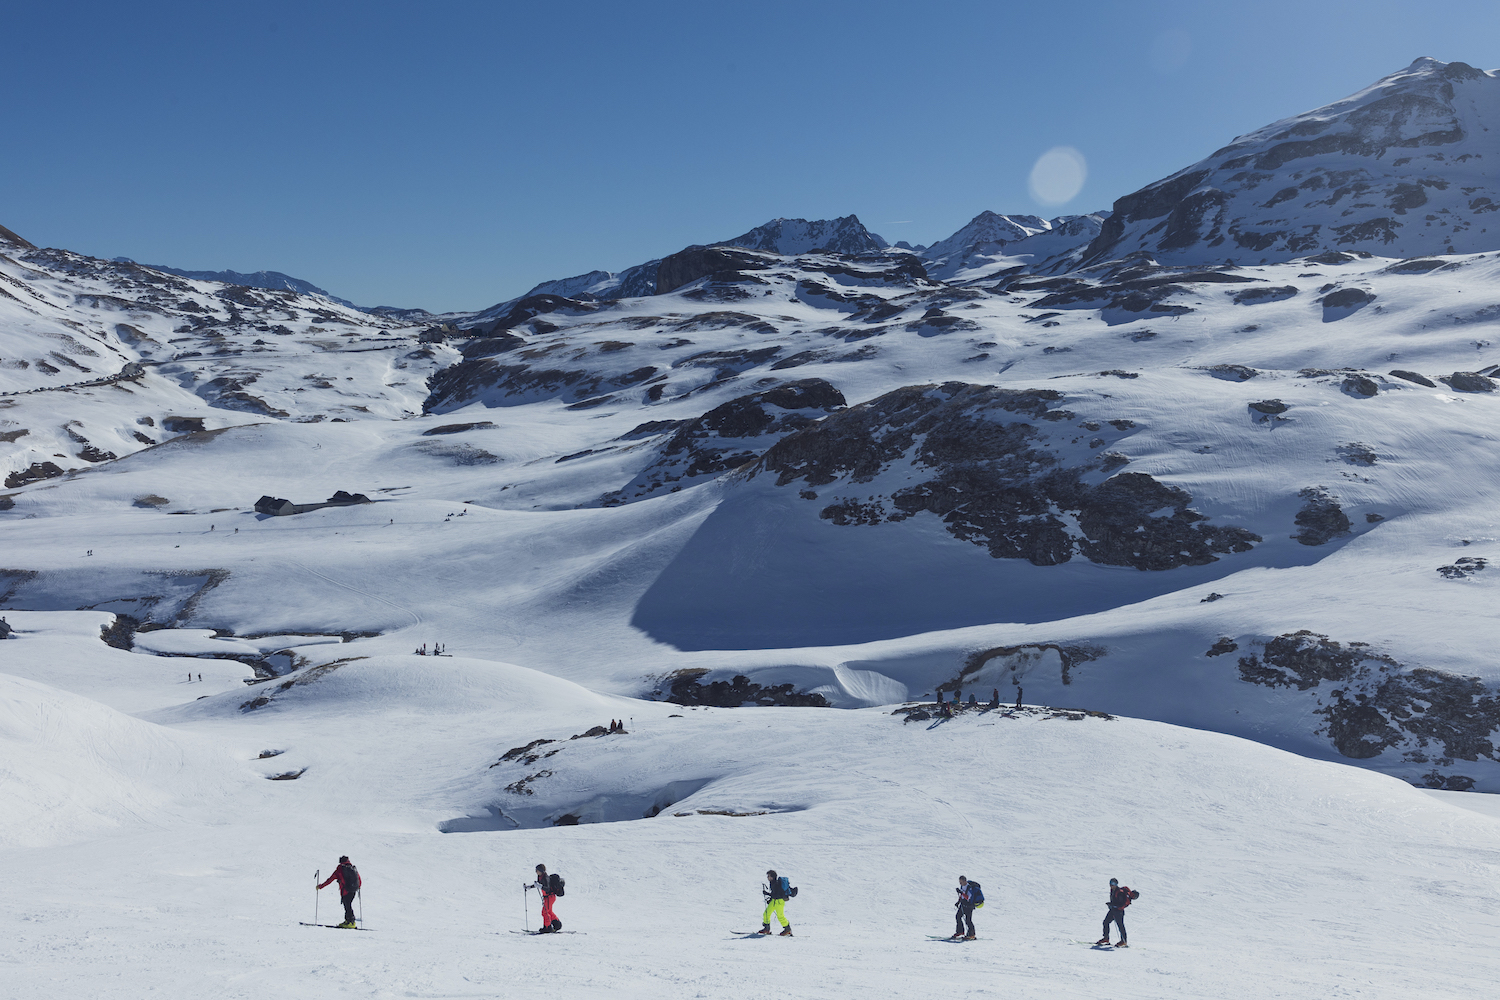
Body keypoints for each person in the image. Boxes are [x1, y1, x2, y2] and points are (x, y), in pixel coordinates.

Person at [317, 856, 362, 928]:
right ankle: (348, 921)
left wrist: (321, 886)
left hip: (345, 890)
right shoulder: (352, 868)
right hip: (353, 890)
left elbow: (330, 879)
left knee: (347, 905)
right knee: (348, 905)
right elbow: (359, 879)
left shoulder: (340, 869)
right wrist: (358, 887)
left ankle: (350, 922)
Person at [1096, 877, 1138, 947]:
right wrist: (1111, 904)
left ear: (1116, 884)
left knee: (1120, 926)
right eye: (1110, 883)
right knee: (1106, 922)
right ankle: (1106, 938)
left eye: (1113, 884)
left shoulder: (1120, 892)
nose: (1111, 885)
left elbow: (1121, 904)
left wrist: (1112, 905)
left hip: (1119, 911)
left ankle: (1124, 941)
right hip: (1113, 910)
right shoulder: (1113, 890)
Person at [529, 863, 562, 933]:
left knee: (545, 912)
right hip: (548, 898)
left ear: (541, 871)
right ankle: (557, 924)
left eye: (537, 870)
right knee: (548, 912)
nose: (536, 871)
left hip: (550, 897)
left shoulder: (545, 878)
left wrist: (539, 886)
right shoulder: (541, 877)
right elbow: (538, 884)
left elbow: (547, 889)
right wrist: (529, 887)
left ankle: (547, 927)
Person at [760, 869, 793, 936]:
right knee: (766, 913)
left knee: (780, 916)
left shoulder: (777, 884)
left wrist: (768, 894)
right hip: (774, 900)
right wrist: (770, 898)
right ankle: (767, 928)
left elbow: (778, 895)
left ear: (772, 877)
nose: (767, 877)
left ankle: (787, 929)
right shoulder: (773, 883)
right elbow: (774, 893)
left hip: (779, 901)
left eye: (768, 876)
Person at [951, 876, 979, 940]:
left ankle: (972, 934)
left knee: (968, 920)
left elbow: (968, 897)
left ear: (964, 881)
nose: (960, 883)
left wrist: (961, 892)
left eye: (961, 882)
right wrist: (958, 902)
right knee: (958, 916)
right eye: (959, 882)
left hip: (969, 906)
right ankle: (960, 931)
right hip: (963, 904)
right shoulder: (962, 886)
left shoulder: (969, 887)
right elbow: (962, 896)